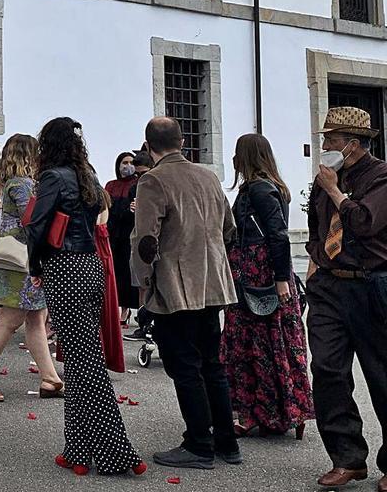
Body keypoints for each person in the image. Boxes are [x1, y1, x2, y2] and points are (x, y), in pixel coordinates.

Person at [26, 118, 144, 477]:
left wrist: (35, 267)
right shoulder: (88, 176)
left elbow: (38, 226)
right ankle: (76, 448)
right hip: (92, 267)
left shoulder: (52, 177)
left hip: (65, 269)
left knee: (86, 362)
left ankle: (117, 453)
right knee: (79, 360)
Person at [131, 116, 239, 469]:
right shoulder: (208, 176)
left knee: (184, 365)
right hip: (211, 282)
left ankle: (199, 443)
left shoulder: (153, 180)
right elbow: (229, 228)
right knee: (212, 363)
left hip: (175, 285)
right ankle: (226, 441)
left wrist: (144, 281)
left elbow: (146, 240)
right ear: (182, 141)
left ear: (149, 146)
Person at [305, 106, 387, 492]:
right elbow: (317, 226)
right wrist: (317, 262)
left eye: (331, 140)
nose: (324, 146)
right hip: (330, 287)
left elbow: (364, 222)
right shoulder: (324, 179)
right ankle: (347, 458)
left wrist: (336, 190)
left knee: (381, 375)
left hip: (371, 286)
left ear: (352, 144)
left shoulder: (381, 176)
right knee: (328, 370)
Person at [219, 133, 313, 440]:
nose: (233, 160)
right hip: (258, 271)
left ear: (245, 156)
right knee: (275, 342)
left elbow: (279, 235)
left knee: (255, 343)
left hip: (257, 273)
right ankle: (286, 409)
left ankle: (255, 412)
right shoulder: (271, 187)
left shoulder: (260, 189)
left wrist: (281, 278)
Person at [0, 134, 63, 402]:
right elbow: (32, 221)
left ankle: (50, 377)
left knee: (35, 318)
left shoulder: (19, 182)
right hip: (19, 262)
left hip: (24, 260)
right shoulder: (22, 184)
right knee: (10, 319)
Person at [120, 151, 156, 341]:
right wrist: (131, 210)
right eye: (138, 174)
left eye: (144, 173)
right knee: (142, 284)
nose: (141, 178)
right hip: (139, 238)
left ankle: (157, 323)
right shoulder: (135, 188)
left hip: (156, 239)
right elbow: (128, 214)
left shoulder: (158, 184)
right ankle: (144, 324)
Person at [105, 151, 139, 323]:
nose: (127, 166)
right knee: (114, 272)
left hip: (128, 234)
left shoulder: (137, 184)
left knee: (126, 274)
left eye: (130, 162)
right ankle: (114, 308)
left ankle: (125, 311)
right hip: (113, 233)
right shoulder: (111, 185)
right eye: (124, 162)